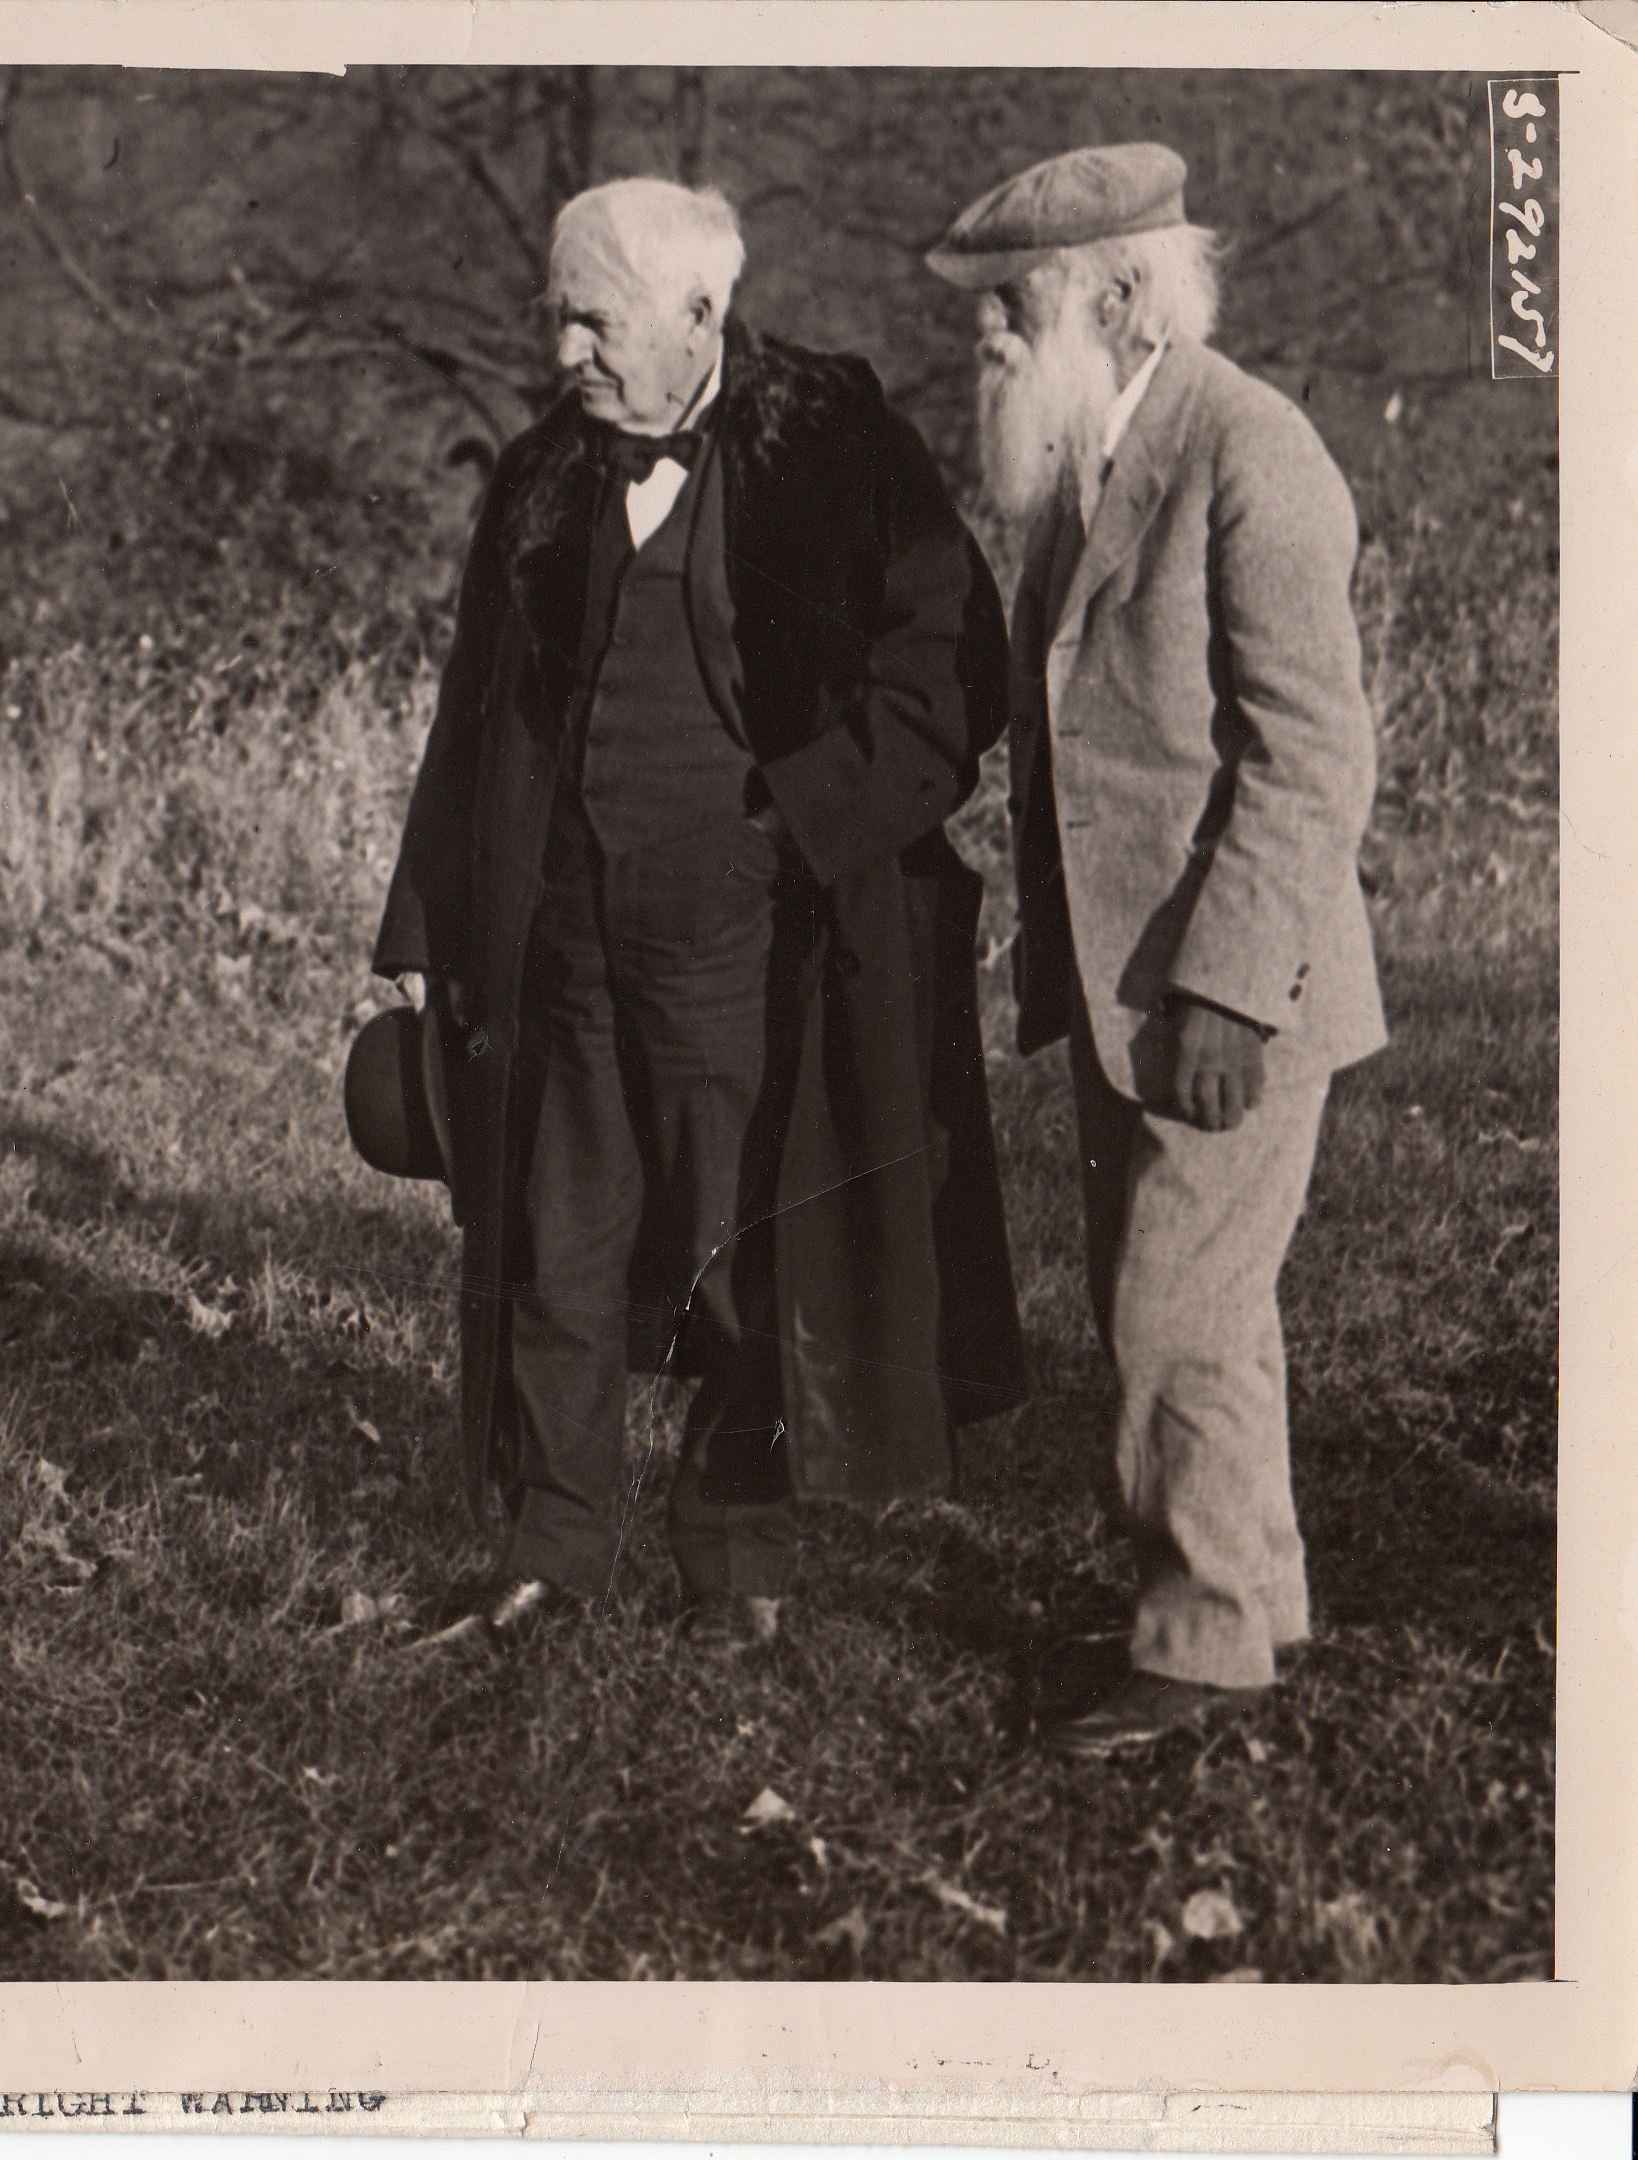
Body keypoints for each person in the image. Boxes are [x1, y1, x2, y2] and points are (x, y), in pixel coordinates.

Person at [373, 177, 1025, 1651]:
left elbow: (950, 676)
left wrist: (794, 826)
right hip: (564, 937)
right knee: (556, 1242)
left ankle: (735, 1570)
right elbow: (472, 715)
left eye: (596, 322)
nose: (566, 354)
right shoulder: (544, 475)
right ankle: (552, 1549)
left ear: (700, 314)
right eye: (560, 320)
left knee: (747, 1259)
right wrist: (428, 935)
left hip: (756, 943)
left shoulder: (833, 444)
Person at [924, 143, 1386, 1756]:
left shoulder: (1254, 451)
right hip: (1136, 993)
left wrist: (1224, 989)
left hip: (1223, 997)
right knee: (1206, 1309)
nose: (986, 337)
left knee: (1169, 1314)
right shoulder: (1090, 461)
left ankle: (1193, 1656)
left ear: (1122, 299)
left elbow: (1315, 757)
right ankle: (1259, 1602)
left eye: (1012, 306)